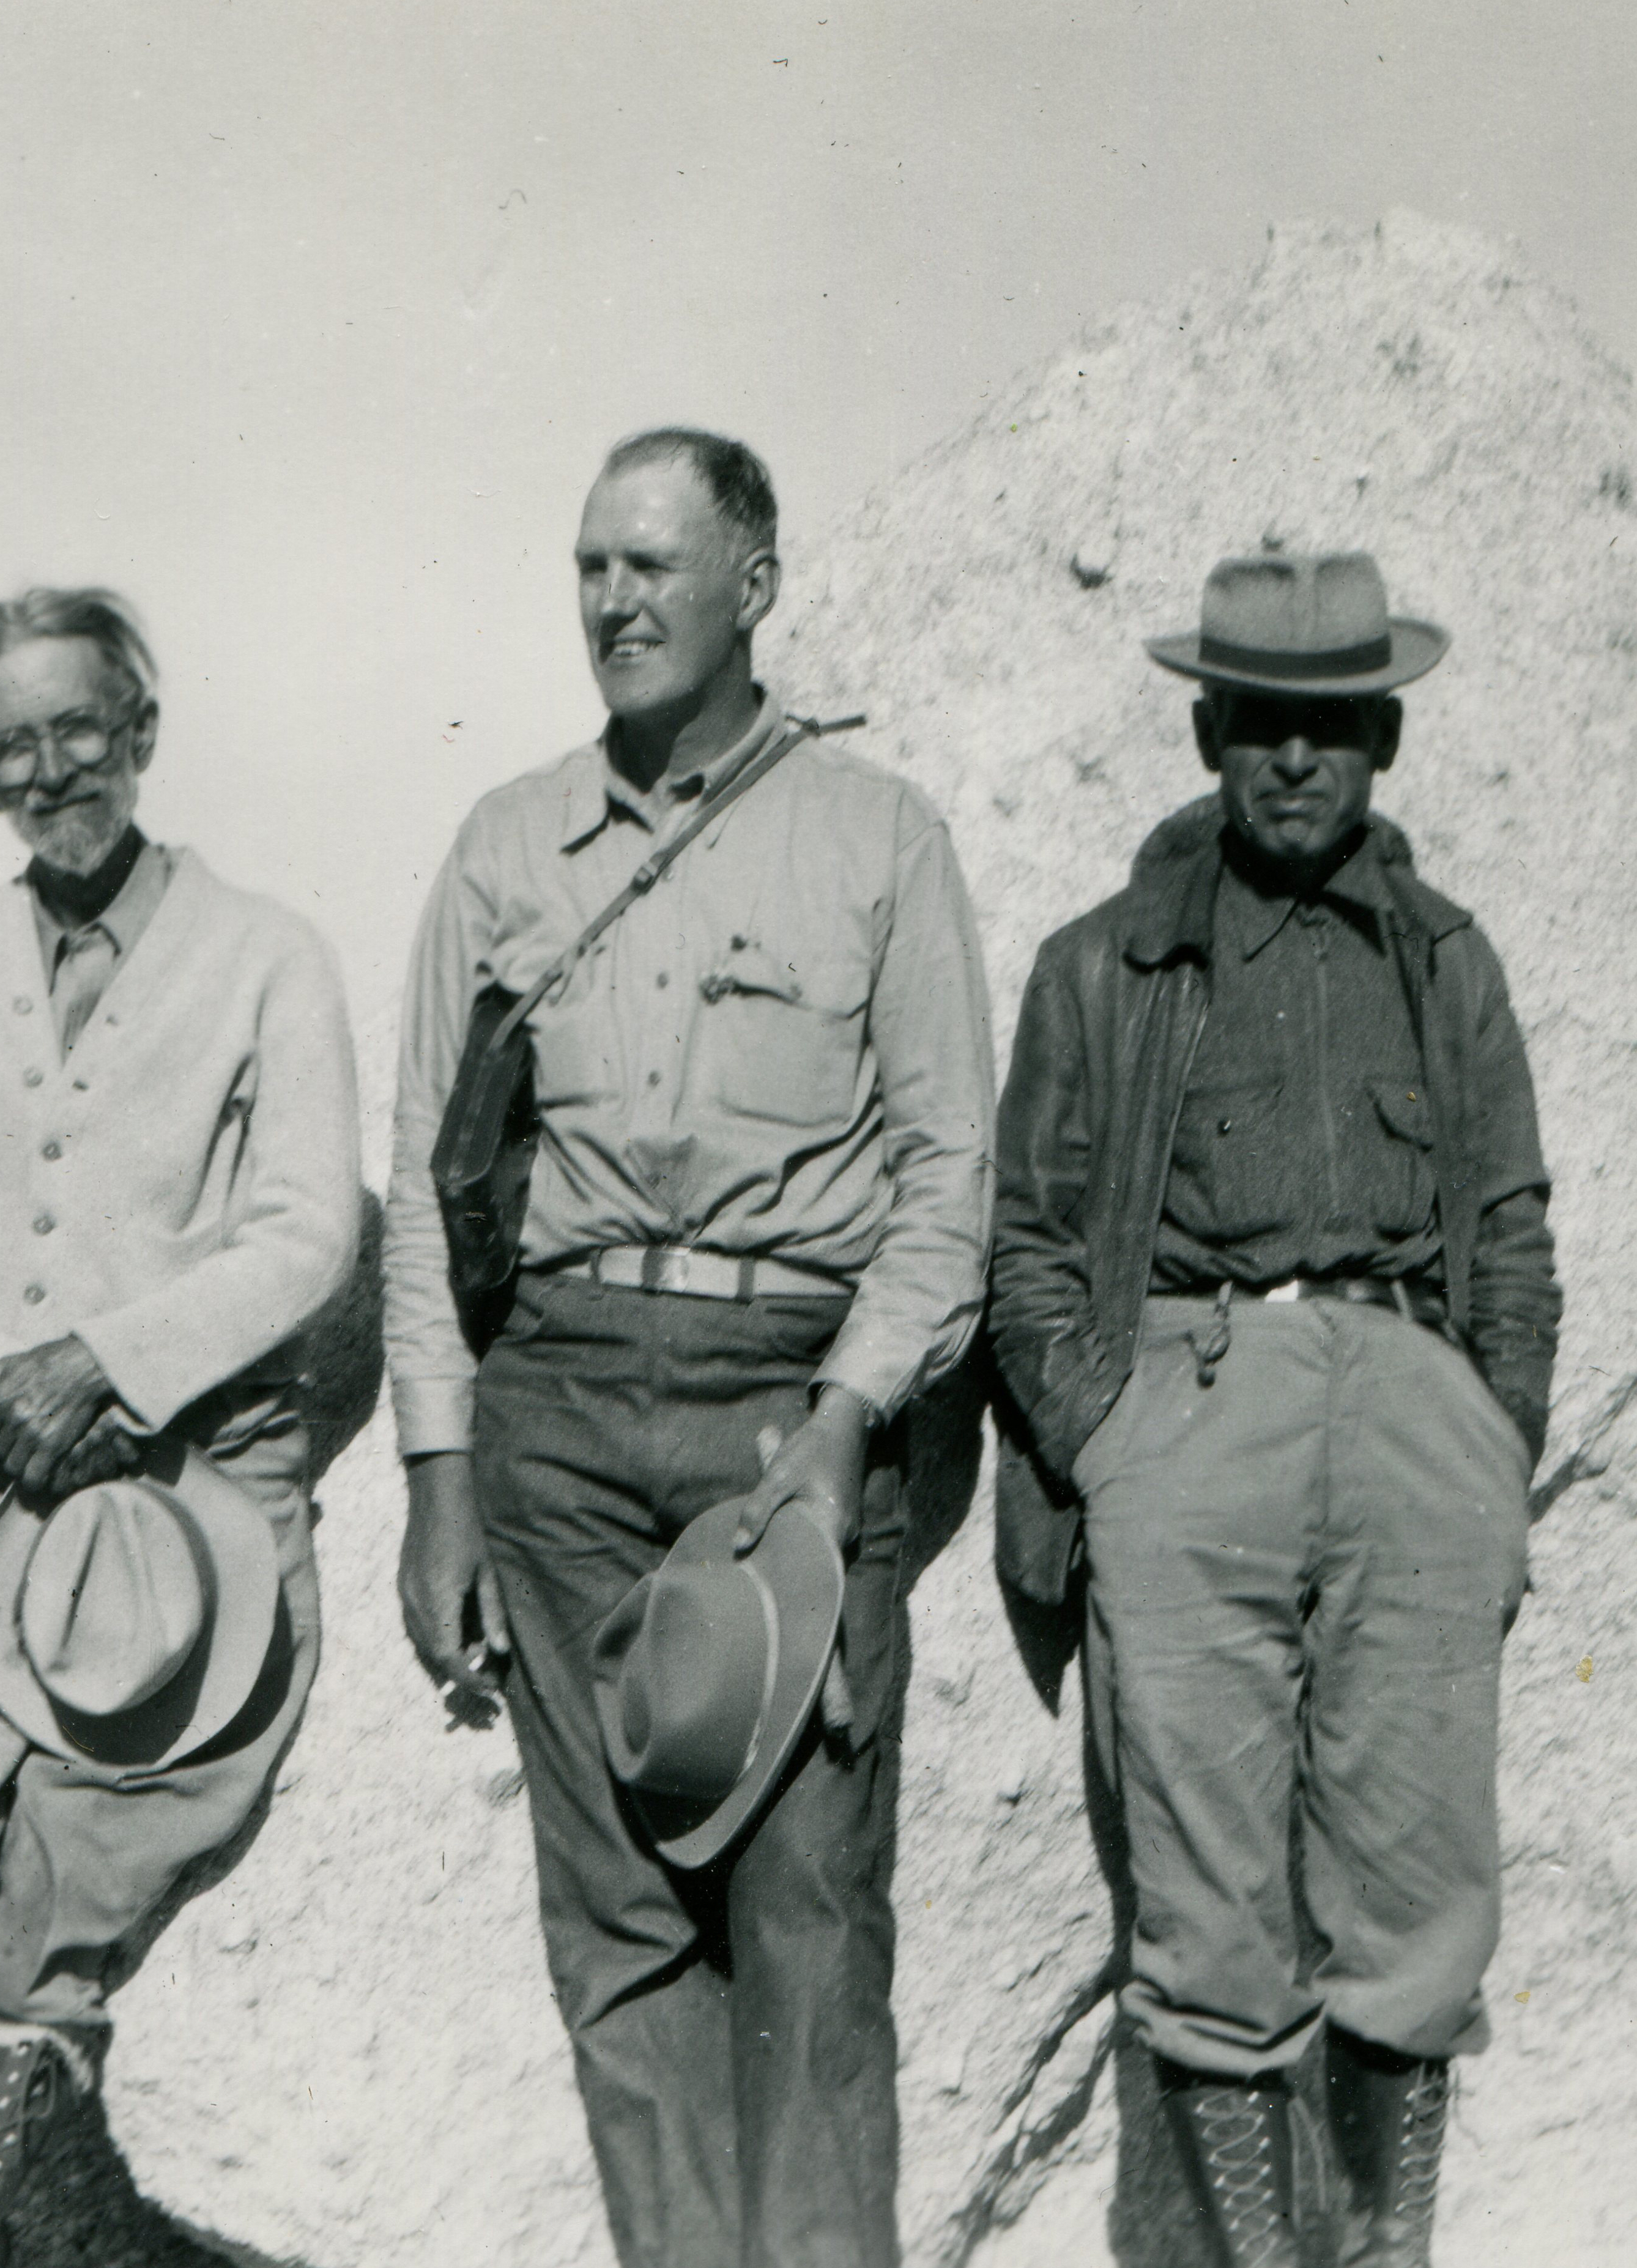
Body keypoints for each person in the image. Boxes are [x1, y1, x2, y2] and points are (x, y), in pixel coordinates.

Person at [381, 429, 994, 2267]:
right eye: (588, 567)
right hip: (557, 1419)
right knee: (618, 1923)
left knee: (807, 1915)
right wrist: (435, 1477)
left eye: (651, 565)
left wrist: (842, 1418)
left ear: (756, 584)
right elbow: (427, 1176)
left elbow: (949, 1168)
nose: (613, 602)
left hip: (784, 1416)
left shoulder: (877, 836)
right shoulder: (505, 845)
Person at [984, 552, 1559, 2268]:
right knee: (1209, 1912)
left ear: (1379, 737)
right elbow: (1023, 1232)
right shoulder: (1104, 964)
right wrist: (1106, 1435)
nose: (1292, 762)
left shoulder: (1446, 962)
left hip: (1407, 1419)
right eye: (1257, 725)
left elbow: (1512, 1224)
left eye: (1325, 727)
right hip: (1190, 1414)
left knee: (1418, 1893)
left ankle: (1385, 2253)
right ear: (1205, 729)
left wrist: (1486, 1432)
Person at [0, 587, 358, 2267]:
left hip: (180, 1503)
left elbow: (303, 1229)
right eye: (10, 746)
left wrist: (108, 1367)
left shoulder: (267, 954)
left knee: (52, 1940)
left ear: (140, 729)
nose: (53, 771)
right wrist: (0, 1378)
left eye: (78, 729)